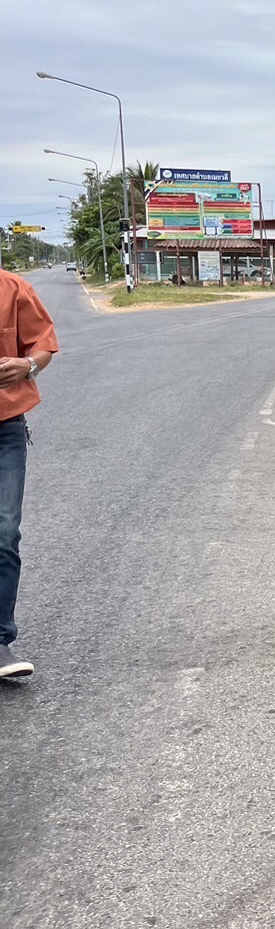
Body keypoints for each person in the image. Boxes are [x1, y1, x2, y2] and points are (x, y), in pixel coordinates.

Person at [1, 269, 60, 679]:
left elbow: (43, 344)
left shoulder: (13, 288)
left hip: (4, 426)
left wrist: (27, 365)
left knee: (4, 532)